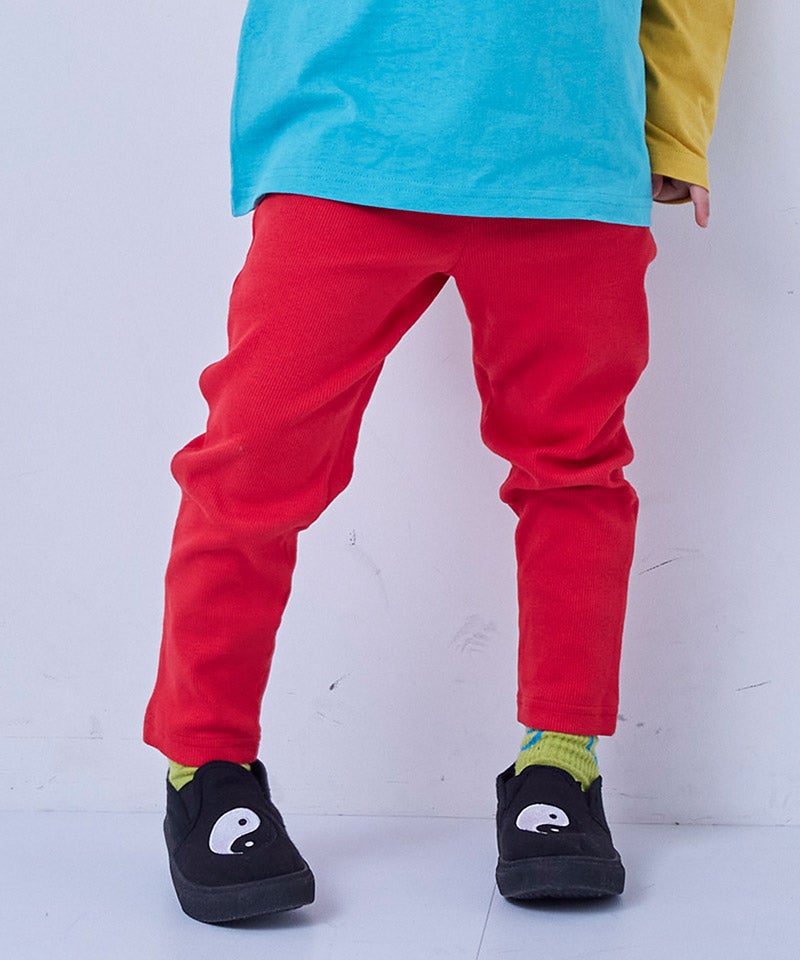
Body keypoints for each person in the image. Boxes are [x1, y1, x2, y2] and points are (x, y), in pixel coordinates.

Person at [143, 0, 736, 922]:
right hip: (343, 140)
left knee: (574, 469)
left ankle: (560, 765)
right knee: (251, 461)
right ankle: (205, 763)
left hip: (570, 145)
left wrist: (675, 123)